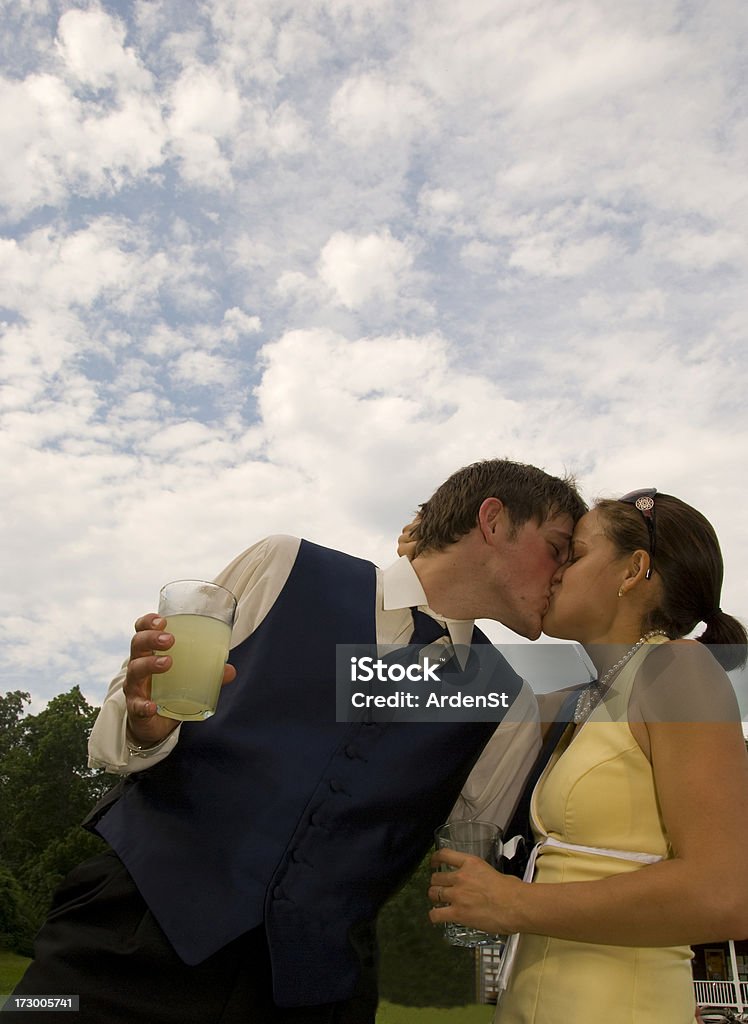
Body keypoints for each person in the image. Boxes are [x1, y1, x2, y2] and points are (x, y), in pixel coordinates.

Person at [4, 459, 585, 1024]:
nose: (563, 572)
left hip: (316, 992)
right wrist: (144, 724)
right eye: (558, 548)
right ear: (493, 520)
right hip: (123, 938)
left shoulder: (505, 698)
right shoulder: (285, 565)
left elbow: (500, 858)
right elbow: (114, 738)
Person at [424, 489, 748, 1023]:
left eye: (572, 554)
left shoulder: (678, 669)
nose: (555, 572)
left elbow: (724, 892)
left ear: (632, 570)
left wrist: (511, 904)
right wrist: (430, 575)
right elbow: (425, 686)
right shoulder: (577, 702)